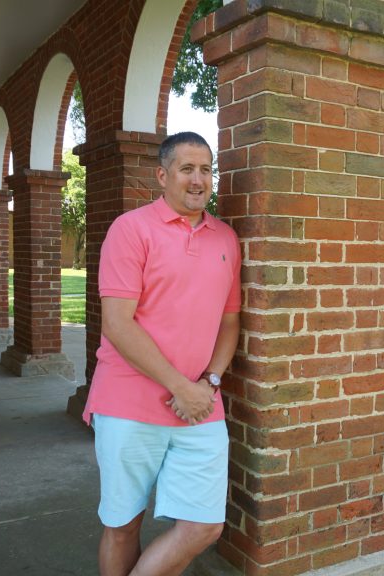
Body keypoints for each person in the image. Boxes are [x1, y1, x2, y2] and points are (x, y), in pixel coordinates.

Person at [82, 131, 241, 576]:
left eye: (206, 169)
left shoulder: (226, 238)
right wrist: (179, 386)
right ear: (162, 175)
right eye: (187, 169)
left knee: (204, 526)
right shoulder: (131, 230)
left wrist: (208, 382)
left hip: (200, 407)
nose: (198, 180)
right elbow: (117, 323)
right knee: (122, 525)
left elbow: (230, 320)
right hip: (128, 403)